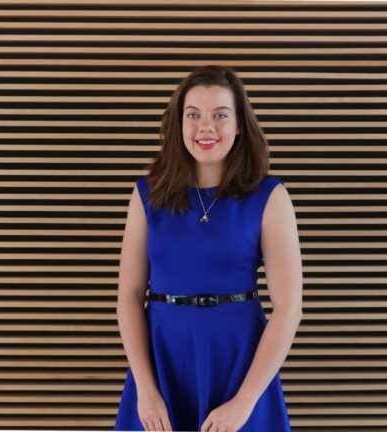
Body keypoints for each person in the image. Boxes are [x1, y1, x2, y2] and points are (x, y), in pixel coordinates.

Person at [114, 65, 303, 432]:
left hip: (239, 362)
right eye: (193, 115)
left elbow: (289, 309)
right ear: (178, 124)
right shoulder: (147, 195)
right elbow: (129, 295)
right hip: (162, 360)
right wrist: (146, 389)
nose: (206, 127)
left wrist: (245, 400)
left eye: (220, 115)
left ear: (239, 125)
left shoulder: (270, 197)